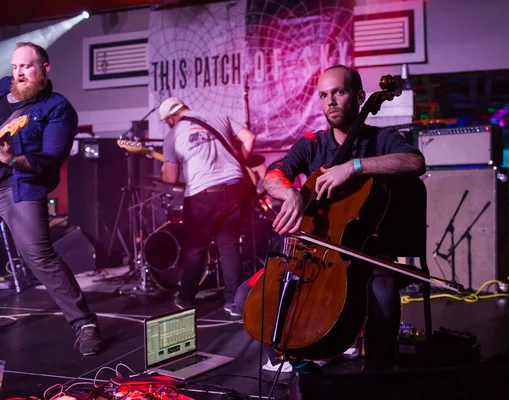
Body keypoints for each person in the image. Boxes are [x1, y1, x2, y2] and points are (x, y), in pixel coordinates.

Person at [256, 64, 426, 371]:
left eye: (339, 92)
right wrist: (289, 193)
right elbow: (272, 176)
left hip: (368, 248)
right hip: (317, 251)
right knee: (251, 297)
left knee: (383, 290)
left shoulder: (381, 139)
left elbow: (415, 162)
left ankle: (379, 371)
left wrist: (354, 166)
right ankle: (299, 364)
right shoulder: (312, 143)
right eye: (323, 95)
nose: (330, 101)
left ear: (360, 96)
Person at [0, 42, 101, 355]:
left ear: (44, 68)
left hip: (19, 186)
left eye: (27, 66)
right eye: (16, 66)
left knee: (38, 255)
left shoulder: (57, 107)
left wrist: (12, 159)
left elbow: (49, 159)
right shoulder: (1, 89)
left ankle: (84, 323)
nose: (19, 73)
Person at [159, 97, 256, 316]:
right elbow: (249, 138)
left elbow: (171, 177)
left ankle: (185, 299)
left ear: (171, 118)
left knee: (196, 249)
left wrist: (163, 171)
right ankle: (234, 302)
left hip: (202, 195)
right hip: (234, 187)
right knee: (229, 245)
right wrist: (240, 160)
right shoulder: (218, 116)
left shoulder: (173, 135)